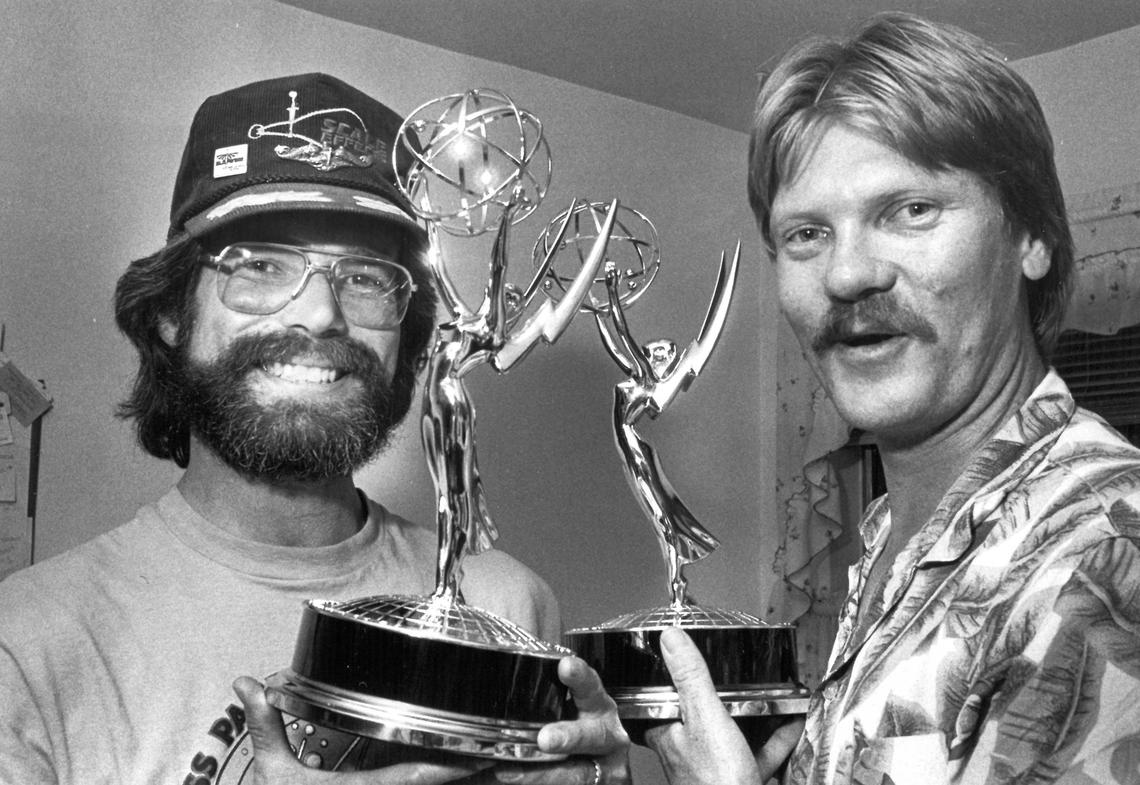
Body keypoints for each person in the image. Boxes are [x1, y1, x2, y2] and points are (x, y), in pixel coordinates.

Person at [530, 12, 1140, 785]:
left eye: (910, 210)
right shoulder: (899, 531)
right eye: (807, 234)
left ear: (1032, 237)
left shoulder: (1102, 557)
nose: (848, 274)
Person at [0, 72, 566, 784]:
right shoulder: (26, 647)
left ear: (409, 335)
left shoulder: (508, 607)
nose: (319, 315)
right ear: (172, 313)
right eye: (261, 265)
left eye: (363, 277)